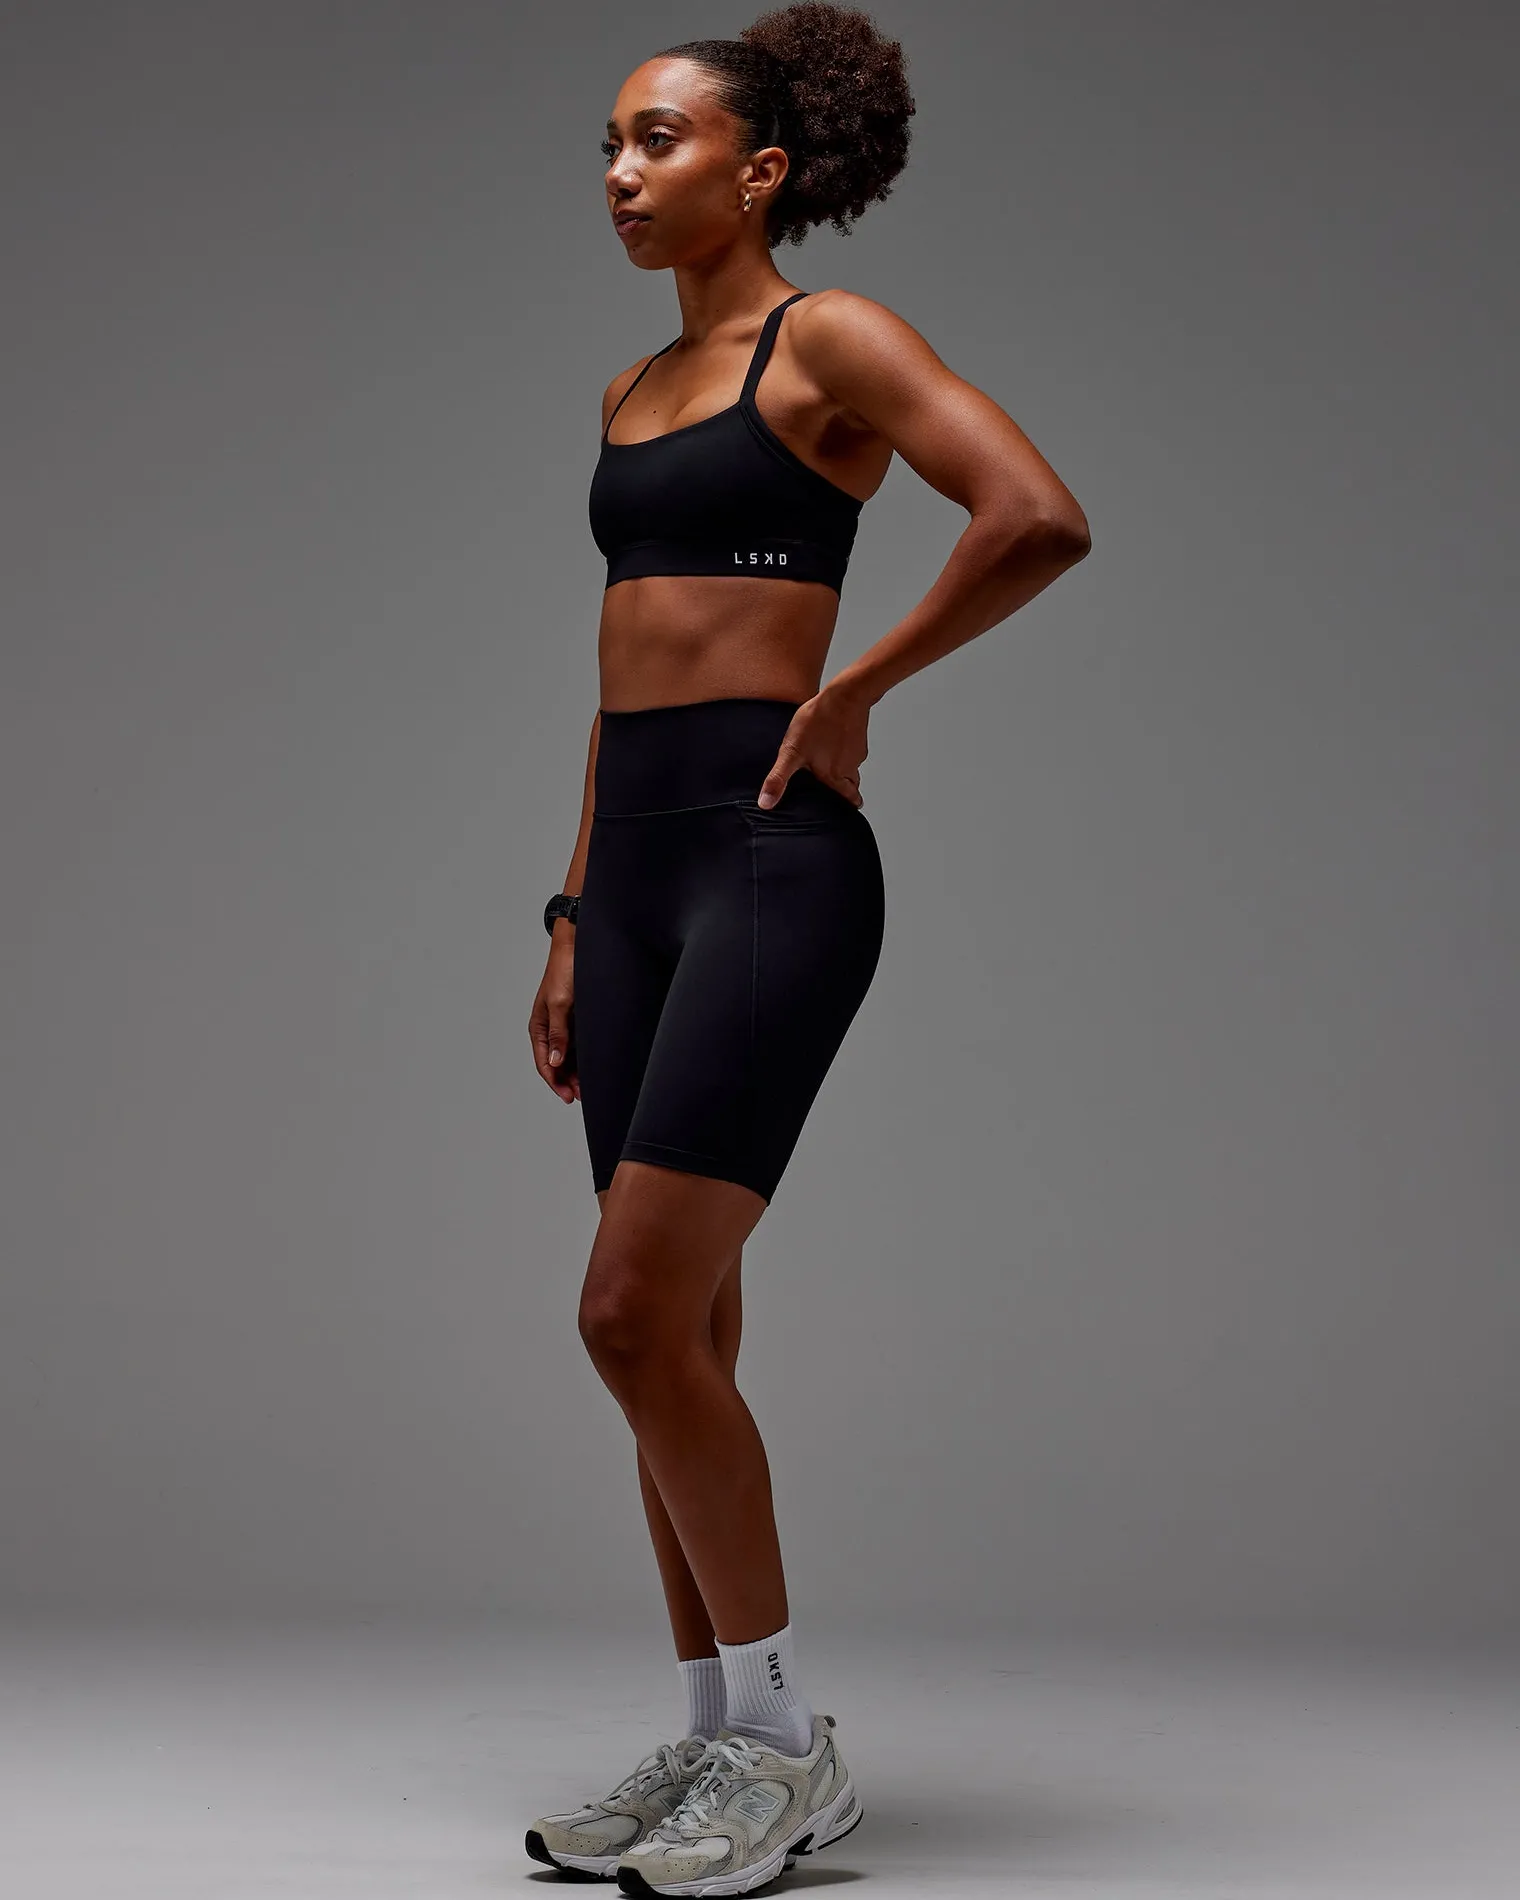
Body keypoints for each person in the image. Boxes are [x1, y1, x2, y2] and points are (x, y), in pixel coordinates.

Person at [525, 7, 1090, 1893]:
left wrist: (858, 689)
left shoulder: (824, 339)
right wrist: (568, 914)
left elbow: (1036, 516)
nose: (622, 173)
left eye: (659, 140)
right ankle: (713, 1738)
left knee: (626, 1314)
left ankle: (785, 1748)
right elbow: (620, 676)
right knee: (677, 1338)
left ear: (757, 171)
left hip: (772, 866)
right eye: (611, 143)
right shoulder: (629, 387)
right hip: (633, 880)